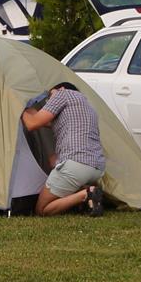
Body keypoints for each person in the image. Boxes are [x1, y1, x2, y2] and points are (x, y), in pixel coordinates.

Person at [21, 82, 107, 217]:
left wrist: (18, 105)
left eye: (49, 97)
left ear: (60, 89)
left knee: (42, 209)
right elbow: (41, 118)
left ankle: (86, 194)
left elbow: (32, 123)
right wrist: (29, 108)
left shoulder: (62, 94)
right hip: (97, 168)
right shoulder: (85, 105)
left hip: (76, 165)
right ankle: (87, 196)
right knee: (53, 161)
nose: (49, 102)